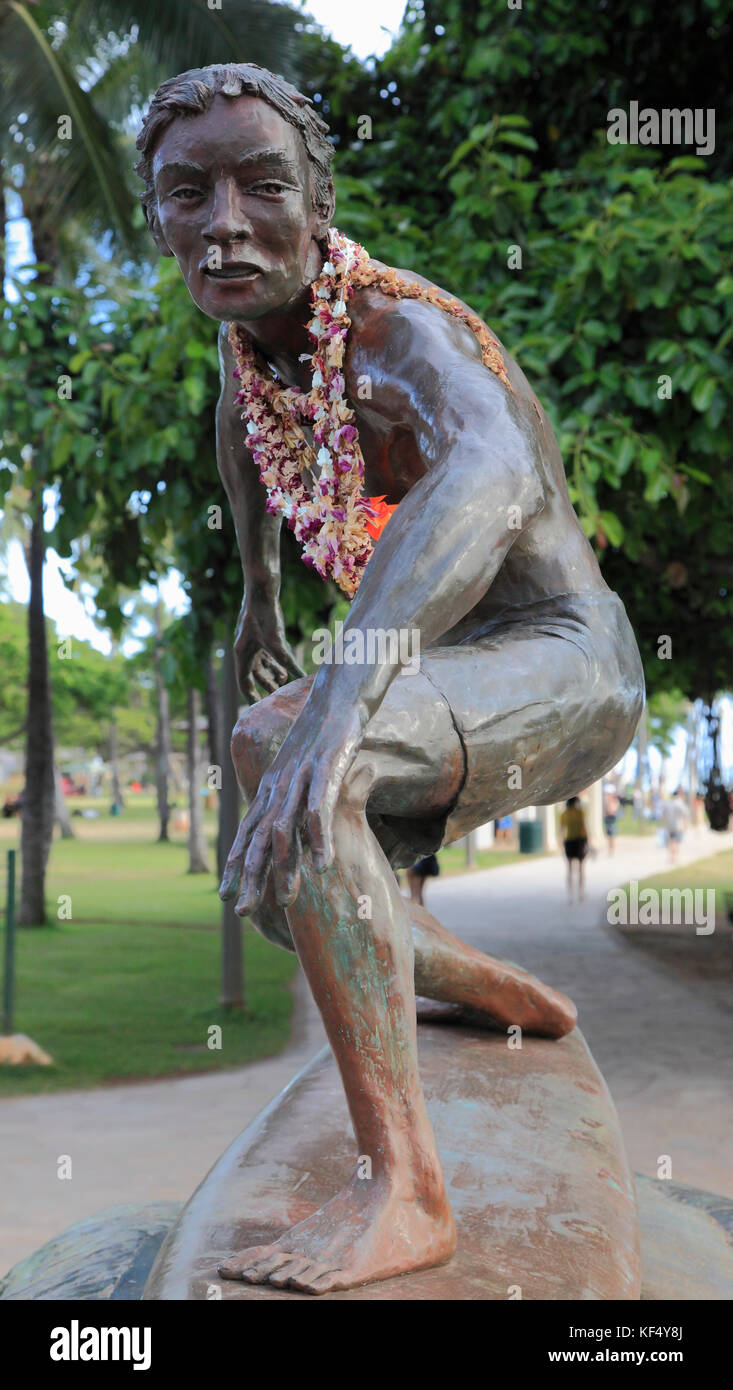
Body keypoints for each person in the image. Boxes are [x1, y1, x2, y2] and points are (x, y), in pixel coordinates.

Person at [135, 63, 644, 1295]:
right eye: (184, 193)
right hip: (473, 668)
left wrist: (344, 700)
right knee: (274, 759)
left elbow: (488, 478)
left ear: (317, 202)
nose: (223, 223)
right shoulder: (253, 350)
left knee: (313, 755)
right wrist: (257, 586)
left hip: (572, 662)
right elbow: (241, 442)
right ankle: (446, 968)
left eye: (261, 187)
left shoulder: (397, 330)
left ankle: (409, 1188)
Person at [559, 796, 588, 902]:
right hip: (579, 842)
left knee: (570, 869)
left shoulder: (564, 814)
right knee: (581, 869)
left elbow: (562, 829)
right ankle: (580, 893)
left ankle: (570, 895)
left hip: (569, 842)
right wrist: (587, 842)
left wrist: (561, 842)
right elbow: (584, 828)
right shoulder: (580, 813)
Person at [661, 787, 689, 864]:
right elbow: (685, 815)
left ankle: (671, 857)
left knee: (670, 841)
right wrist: (686, 825)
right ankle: (675, 857)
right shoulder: (680, 803)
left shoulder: (667, 804)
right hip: (678, 826)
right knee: (676, 842)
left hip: (669, 826)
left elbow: (663, 815)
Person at [603, 782, 620, 856]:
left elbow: (612, 810)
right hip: (607, 818)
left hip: (611, 818)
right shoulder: (607, 800)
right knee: (608, 835)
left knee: (612, 835)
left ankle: (612, 850)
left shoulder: (614, 801)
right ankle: (610, 849)